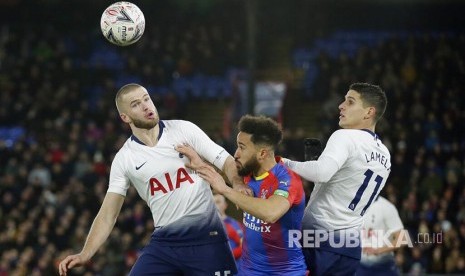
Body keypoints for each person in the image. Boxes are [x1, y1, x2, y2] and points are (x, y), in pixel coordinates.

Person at [58, 83, 248, 276]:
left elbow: (227, 162)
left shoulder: (184, 130)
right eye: (135, 104)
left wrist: (239, 184)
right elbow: (108, 214)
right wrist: (85, 253)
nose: (146, 106)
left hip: (206, 238)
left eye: (146, 99)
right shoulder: (125, 159)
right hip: (165, 244)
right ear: (125, 117)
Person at [177, 115, 307, 275]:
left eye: (242, 147)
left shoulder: (287, 179)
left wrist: (225, 190)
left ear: (262, 153)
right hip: (248, 270)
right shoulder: (246, 174)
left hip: (285, 272)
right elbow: (221, 172)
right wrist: (199, 163)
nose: (236, 154)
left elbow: (270, 213)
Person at [283, 82, 391, 276]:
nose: (341, 106)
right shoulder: (385, 154)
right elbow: (341, 186)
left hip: (318, 240)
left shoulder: (345, 136)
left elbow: (321, 173)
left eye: (350, 102)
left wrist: (284, 163)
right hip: (350, 248)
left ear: (369, 112)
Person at [356, 195, 406, 276]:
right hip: (359, 266)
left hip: (383, 266)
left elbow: (401, 239)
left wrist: (378, 250)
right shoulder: (354, 204)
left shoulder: (386, 207)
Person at [214, 193, 244, 267]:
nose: (214, 205)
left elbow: (244, 246)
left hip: (234, 268)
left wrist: (226, 256)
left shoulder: (235, 224)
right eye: (211, 202)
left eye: (217, 202)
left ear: (225, 205)